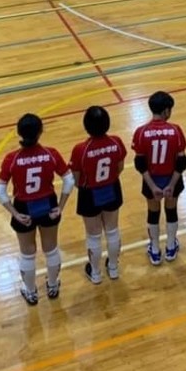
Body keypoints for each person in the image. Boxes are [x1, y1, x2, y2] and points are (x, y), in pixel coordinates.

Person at [0, 113, 74, 305]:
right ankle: (52, 286)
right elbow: (69, 180)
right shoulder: (51, 154)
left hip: (24, 208)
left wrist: (14, 213)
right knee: (51, 249)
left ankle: (30, 292)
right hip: (48, 205)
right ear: (40, 132)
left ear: (19, 133)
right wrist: (60, 206)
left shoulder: (12, 158)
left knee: (27, 253)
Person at [70, 105, 126, 285]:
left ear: (86, 126)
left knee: (93, 235)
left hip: (89, 193)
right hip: (111, 188)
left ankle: (95, 273)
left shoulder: (80, 149)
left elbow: (76, 179)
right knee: (112, 230)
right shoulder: (116, 142)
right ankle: (114, 268)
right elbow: (119, 168)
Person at [131, 91, 186, 266]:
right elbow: (182, 161)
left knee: (153, 213)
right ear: (166, 111)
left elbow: (140, 163)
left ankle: (155, 250)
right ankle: (170, 247)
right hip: (172, 178)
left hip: (152, 179)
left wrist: (152, 186)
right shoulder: (175, 130)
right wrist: (171, 184)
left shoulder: (141, 132)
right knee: (171, 211)